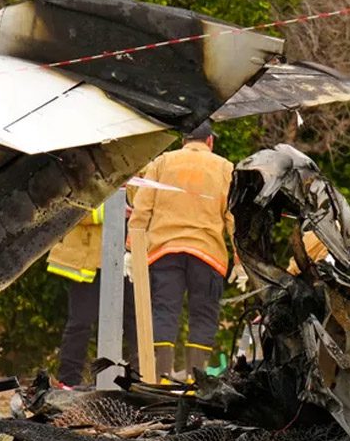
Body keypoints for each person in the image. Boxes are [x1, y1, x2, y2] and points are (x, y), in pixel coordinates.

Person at [128, 120, 241, 381]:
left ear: (183, 141)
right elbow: (233, 217)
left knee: (164, 310)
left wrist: (132, 250)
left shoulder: (162, 162)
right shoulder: (225, 168)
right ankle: (195, 377)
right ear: (210, 141)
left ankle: (160, 375)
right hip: (208, 254)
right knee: (203, 313)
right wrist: (240, 258)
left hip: (164, 251)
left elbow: (142, 209)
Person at [47, 204, 138, 390]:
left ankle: (138, 380)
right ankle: (69, 381)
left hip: (126, 261)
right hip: (90, 262)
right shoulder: (84, 176)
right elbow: (70, 209)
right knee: (81, 322)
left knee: (134, 323)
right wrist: (112, 210)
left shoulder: (138, 177)